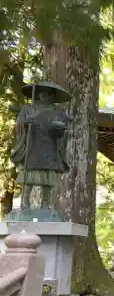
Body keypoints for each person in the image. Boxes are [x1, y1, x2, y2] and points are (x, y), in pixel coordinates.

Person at [11, 81, 72, 210]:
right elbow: (19, 124)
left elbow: (66, 128)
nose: (43, 95)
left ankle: (45, 203)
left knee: (48, 174)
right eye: (41, 92)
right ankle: (25, 200)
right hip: (33, 144)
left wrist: (61, 130)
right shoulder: (28, 108)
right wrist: (25, 123)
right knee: (30, 173)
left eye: (48, 93)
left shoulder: (58, 111)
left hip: (50, 144)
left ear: (53, 96)